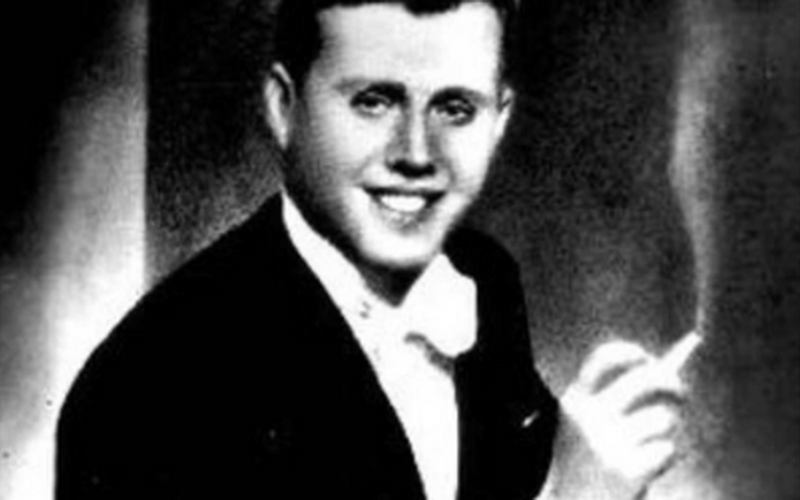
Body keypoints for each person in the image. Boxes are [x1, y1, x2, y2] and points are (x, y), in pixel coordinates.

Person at [56, 0, 692, 499]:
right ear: (283, 108)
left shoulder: (483, 277)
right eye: (374, 101)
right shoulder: (142, 392)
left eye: (455, 108)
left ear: (499, 121)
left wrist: (584, 452)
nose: (416, 153)